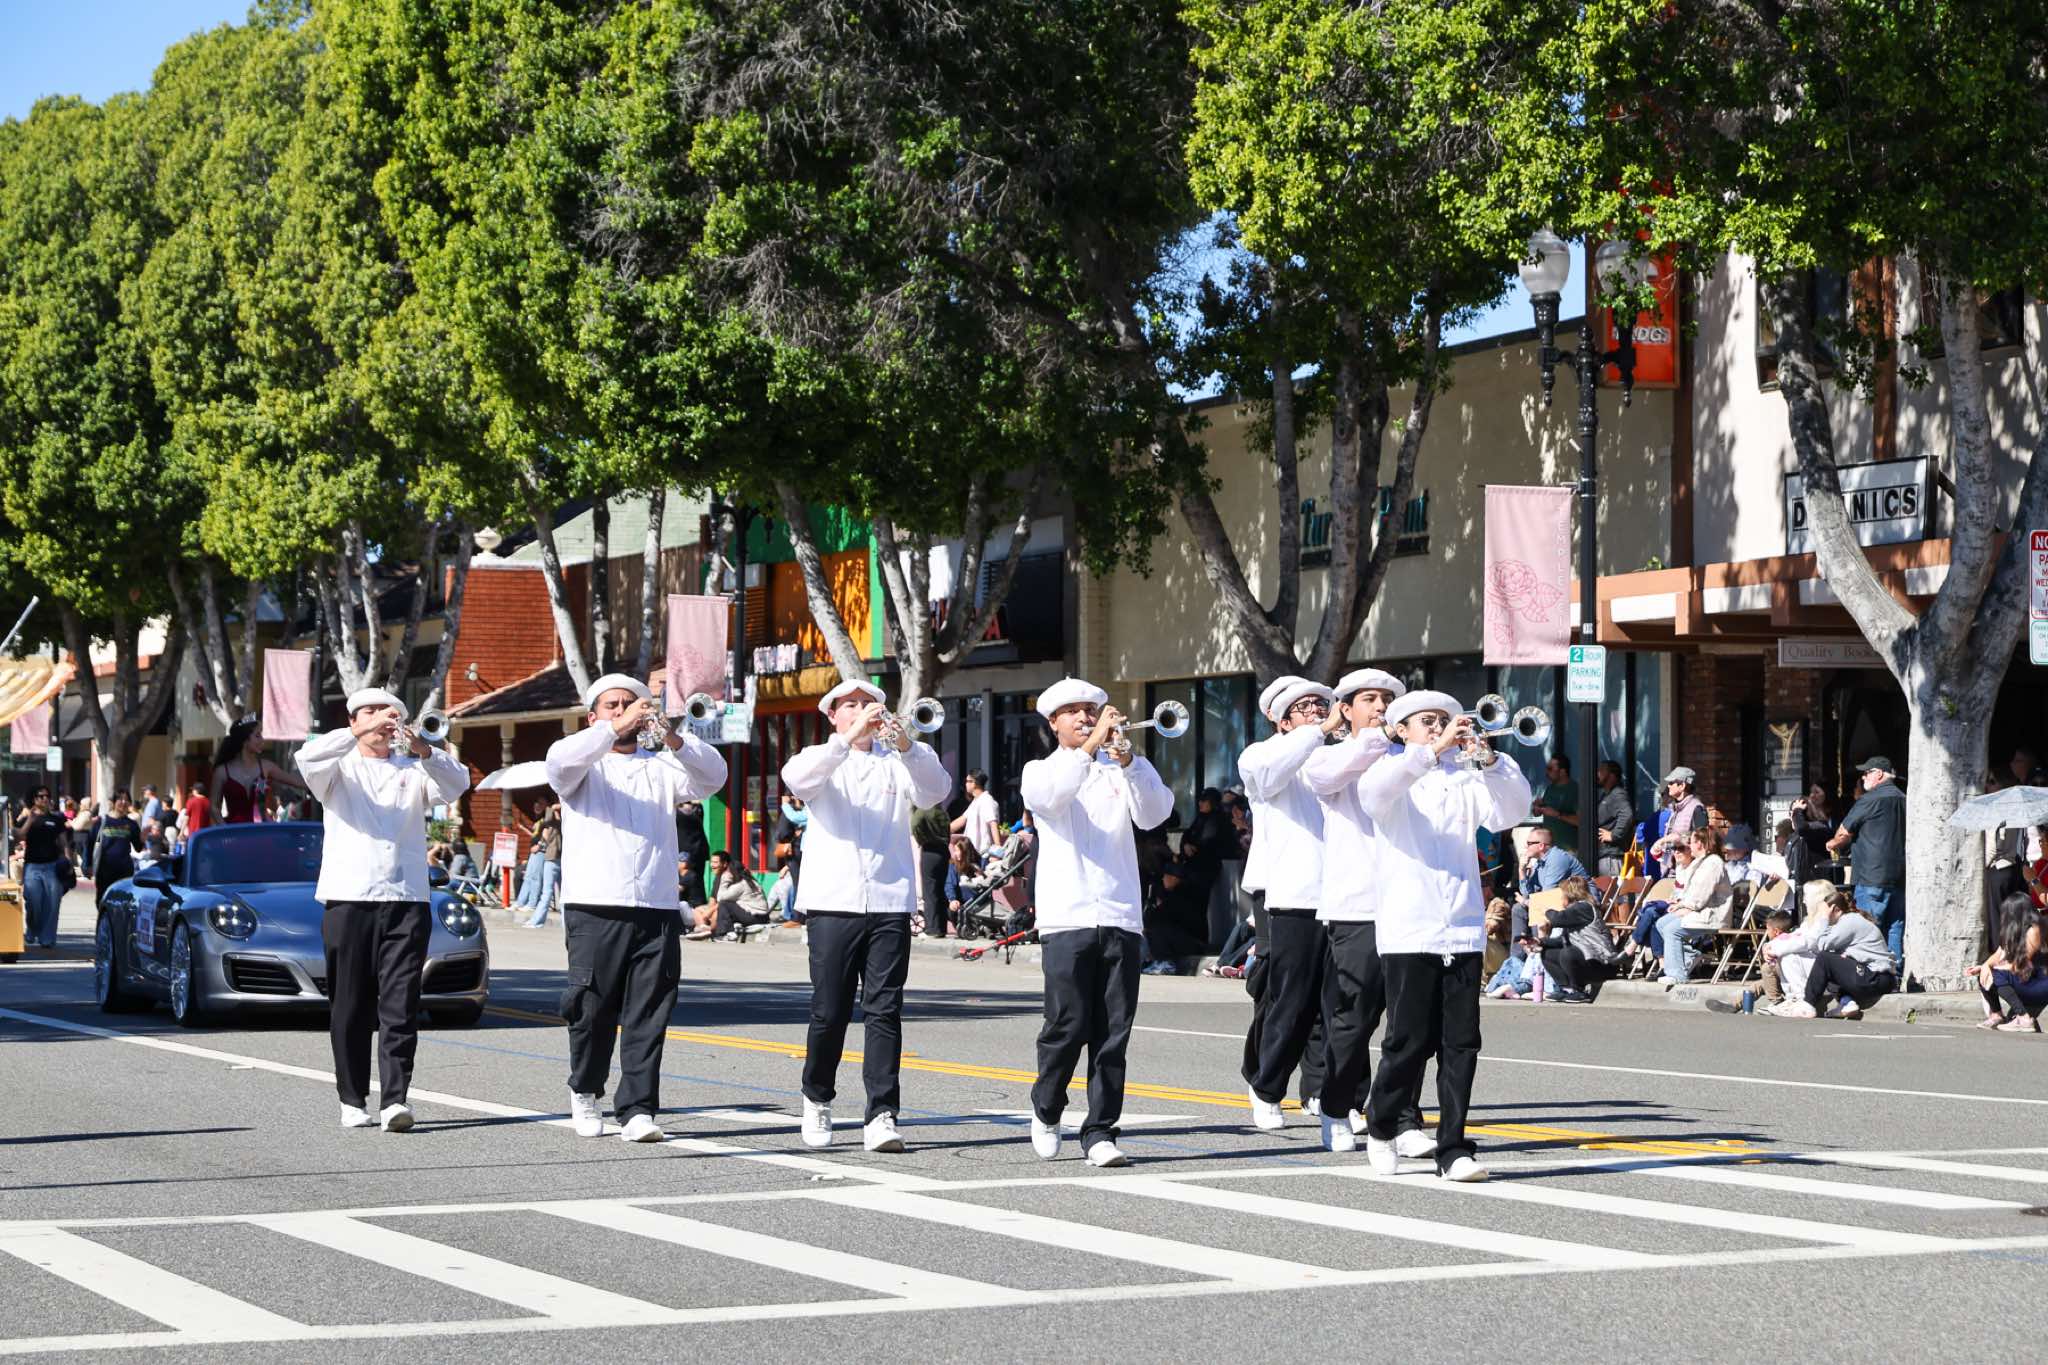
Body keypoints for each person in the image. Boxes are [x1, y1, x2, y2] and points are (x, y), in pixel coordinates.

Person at [546, 672, 728, 1143]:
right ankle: (586, 1090)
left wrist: (672, 736)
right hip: (595, 905)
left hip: (656, 906)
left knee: (650, 1011)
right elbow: (559, 763)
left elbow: (713, 777)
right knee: (592, 1007)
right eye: (613, 705)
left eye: (631, 703)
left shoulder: (661, 764)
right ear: (592, 717)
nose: (624, 710)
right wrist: (615, 726)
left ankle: (638, 1108)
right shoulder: (581, 765)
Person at [1360, 690, 1532, 1182]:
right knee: (1407, 1041)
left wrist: (1491, 760)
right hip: (1409, 929)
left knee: (1461, 1044)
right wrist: (1431, 752)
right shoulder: (1389, 771)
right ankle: (1382, 1124)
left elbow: (1512, 811)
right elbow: (1374, 796)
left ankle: (1453, 1148)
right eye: (1427, 721)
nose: (1439, 727)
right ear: (1402, 730)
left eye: (1444, 720)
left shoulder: (1466, 777)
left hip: (1461, 930)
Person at [781, 679, 951, 1153]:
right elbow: (799, 781)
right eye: (850, 705)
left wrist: (907, 745)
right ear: (832, 715)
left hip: (890, 902)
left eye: (870, 704)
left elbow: (936, 791)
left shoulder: (897, 760)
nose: (862, 712)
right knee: (830, 1009)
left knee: (884, 1011)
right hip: (833, 903)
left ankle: (881, 1113)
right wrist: (848, 738)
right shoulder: (820, 757)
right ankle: (817, 1097)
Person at [296, 687, 471, 1132]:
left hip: (407, 900)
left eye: (388, 714)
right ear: (353, 721)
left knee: (400, 1003)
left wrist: (424, 749)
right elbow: (306, 757)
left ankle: (395, 1099)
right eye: (370, 712)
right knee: (350, 1004)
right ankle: (352, 1098)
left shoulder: (413, 769)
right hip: (349, 899)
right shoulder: (336, 769)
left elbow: (457, 783)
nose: (381, 720)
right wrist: (361, 730)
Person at [1020, 679, 1174, 1167]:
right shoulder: (1040, 771)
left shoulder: (1118, 768)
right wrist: (1089, 749)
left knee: (1113, 1033)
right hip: (1067, 916)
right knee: (1067, 1025)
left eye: (1092, 710)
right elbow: (1052, 799)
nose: (1086, 718)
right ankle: (1047, 1108)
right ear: (1054, 723)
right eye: (1074, 711)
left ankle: (1101, 1130)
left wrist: (1130, 761)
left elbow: (1155, 814)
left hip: (1120, 914)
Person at [1230, 677, 1344, 1129]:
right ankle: (1265, 1081)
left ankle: (1319, 1089)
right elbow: (1269, 776)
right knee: (1285, 995)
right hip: (1287, 889)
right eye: (1305, 707)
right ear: (1281, 720)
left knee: (1336, 1000)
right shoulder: (1261, 755)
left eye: (1322, 704)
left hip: (1342, 892)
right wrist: (1317, 732)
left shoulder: (1338, 754)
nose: (1317, 711)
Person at [1764, 889, 1897, 1019]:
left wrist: (1824, 920)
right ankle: (1847, 1002)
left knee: (1824, 959)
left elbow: (1822, 945)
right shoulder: (1845, 922)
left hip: (1877, 977)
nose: (1821, 915)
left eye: (1823, 911)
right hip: (1871, 976)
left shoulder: (1850, 921)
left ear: (1834, 909)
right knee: (1830, 965)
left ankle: (1807, 1004)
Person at [1828, 756, 1907, 973]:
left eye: (1866, 773)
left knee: (1868, 928)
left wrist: (1832, 844)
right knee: (1895, 928)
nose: (1863, 778)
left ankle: (1872, 975)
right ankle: (1893, 975)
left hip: (1871, 876)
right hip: (1900, 877)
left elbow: (1843, 832)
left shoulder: (1869, 799)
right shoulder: (1904, 799)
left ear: (1878, 774)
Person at [1658, 826, 1733, 985]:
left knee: (1672, 930)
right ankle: (1690, 956)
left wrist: (1686, 908)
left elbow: (1701, 895)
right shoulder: (1700, 862)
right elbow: (1690, 890)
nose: (1689, 846)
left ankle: (1677, 975)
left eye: (1691, 842)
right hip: (1698, 910)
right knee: (1662, 923)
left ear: (1700, 844)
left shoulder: (1713, 863)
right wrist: (1680, 905)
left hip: (1712, 914)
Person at [1965, 895, 2048, 1031]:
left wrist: (1994, 968)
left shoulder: (2034, 930)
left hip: (2040, 984)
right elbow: (1998, 955)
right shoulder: (2012, 932)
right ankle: (1997, 1015)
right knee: (1985, 973)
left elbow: (2020, 963)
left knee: (1997, 974)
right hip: (2025, 981)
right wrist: (1984, 966)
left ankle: (2024, 1018)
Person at [210, 716, 309, 824]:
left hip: (262, 829)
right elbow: (214, 807)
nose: (262, 740)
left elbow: (296, 781)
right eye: (257, 735)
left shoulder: (266, 767)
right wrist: (226, 829)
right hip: (235, 830)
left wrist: (320, 782)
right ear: (244, 740)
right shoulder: (222, 771)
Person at [1508, 826, 1589, 956]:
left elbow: (1544, 898)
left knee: (1538, 910)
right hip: (1558, 902)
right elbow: (1528, 894)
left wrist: (1526, 901)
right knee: (1518, 909)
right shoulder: (1539, 863)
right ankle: (1516, 960)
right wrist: (1521, 870)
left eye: (1529, 843)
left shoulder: (1557, 859)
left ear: (1541, 846)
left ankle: (1539, 955)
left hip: (1578, 904)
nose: (1525, 846)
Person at [1538, 875, 1618, 1002]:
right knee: (1547, 952)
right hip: (1588, 960)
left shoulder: (1584, 907)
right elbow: (1562, 941)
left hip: (1602, 964)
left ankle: (1579, 991)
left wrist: (1545, 910)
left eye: (1561, 894)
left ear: (1569, 894)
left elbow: (1557, 919)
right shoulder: (1573, 912)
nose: (1560, 898)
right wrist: (1539, 942)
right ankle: (1566, 989)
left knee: (1568, 953)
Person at [15, 786, 71, 949]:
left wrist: (68, 860)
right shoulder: (27, 818)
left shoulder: (56, 819)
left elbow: (64, 842)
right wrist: (30, 820)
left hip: (52, 866)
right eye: (41, 796)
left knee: (52, 904)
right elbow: (19, 835)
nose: (45, 799)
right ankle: (32, 928)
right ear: (34, 799)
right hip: (32, 866)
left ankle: (47, 938)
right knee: (34, 902)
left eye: (47, 796)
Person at [515, 800, 563, 928]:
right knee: (562, 892)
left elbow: (546, 831)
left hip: (552, 857)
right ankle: (565, 922)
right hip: (559, 858)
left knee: (546, 891)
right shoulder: (563, 823)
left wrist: (553, 807)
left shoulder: (552, 823)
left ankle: (536, 920)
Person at [92, 790, 144, 906]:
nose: (123, 802)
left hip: (124, 870)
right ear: (114, 802)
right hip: (104, 869)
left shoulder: (131, 824)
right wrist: (88, 865)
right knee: (102, 902)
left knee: (123, 903)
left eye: (126, 800)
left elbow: (138, 848)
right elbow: (91, 843)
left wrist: (143, 838)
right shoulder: (102, 822)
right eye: (120, 799)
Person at [912, 799, 955, 938]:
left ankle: (932, 929)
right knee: (940, 890)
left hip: (929, 850)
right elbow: (948, 830)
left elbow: (915, 824)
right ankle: (941, 927)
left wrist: (921, 839)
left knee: (929, 890)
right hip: (943, 851)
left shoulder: (923, 809)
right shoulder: (942, 811)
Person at [707, 849, 771, 939]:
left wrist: (725, 879)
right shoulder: (751, 881)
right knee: (728, 906)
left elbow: (720, 898)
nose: (726, 873)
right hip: (763, 917)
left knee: (724, 904)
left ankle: (726, 933)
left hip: (755, 917)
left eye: (727, 872)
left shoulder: (740, 885)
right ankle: (728, 929)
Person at [1649, 767, 1705, 861]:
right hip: (1673, 866)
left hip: (1688, 867)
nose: (1668, 786)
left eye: (1671, 783)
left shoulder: (1696, 808)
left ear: (1682, 785)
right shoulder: (1676, 807)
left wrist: (1676, 839)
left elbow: (1702, 841)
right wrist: (1659, 850)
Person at [1593, 761, 1634, 877]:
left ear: (1612, 775)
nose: (1597, 773)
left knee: (1612, 888)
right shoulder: (1605, 795)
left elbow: (1627, 814)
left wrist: (1614, 835)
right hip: (1603, 856)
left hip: (1611, 858)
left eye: (1601, 770)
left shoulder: (1617, 793)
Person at [1532, 754, 1579, 849]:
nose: (1546, 772)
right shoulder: (1550, 788)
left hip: (1568, 848)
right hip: (1549, 848)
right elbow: (1540, 813)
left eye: (1550, 769)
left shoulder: (1575, 789)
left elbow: (1582, 821)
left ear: (1562, 772)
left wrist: (1558, 814)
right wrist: (1538, 808)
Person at [951, 769, 1001, 856]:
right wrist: (941, 832)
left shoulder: (987, 801)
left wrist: (998, 851)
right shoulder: (975, 802)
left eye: (967, 781)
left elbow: (993, 824)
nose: (965, 784)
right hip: (972, 853)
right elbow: (961, 820)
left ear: (974, 783)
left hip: (983, 854)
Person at [676, 799, 711, 913]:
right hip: (698, 851)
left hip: (687, 851)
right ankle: (697, 905)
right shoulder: (697, 810)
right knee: (696, 879)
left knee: (686, 878)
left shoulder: (679, 814)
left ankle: (693, 905)